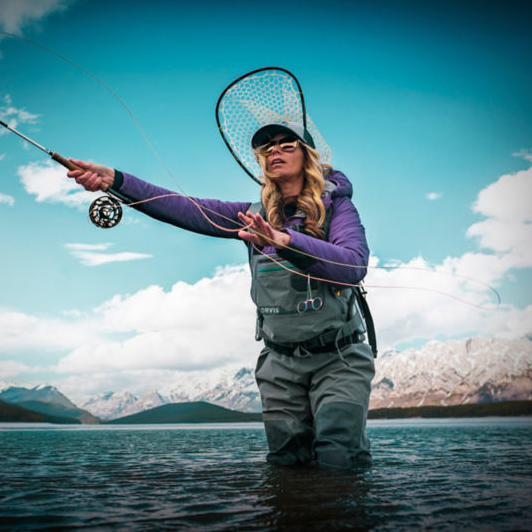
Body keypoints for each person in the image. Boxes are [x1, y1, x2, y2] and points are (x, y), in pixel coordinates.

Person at [66, 121, 374, 468]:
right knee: (286, 462)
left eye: (288, 144)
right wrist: (116, 180)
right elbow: (183, 208)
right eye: (268, 146)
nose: (275, 150)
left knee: (339, 457)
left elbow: (353, 267)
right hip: (279, 364)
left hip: (338, 357)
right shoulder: (251, 216)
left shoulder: (338, 209)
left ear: (308, 156)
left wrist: (285, 241)